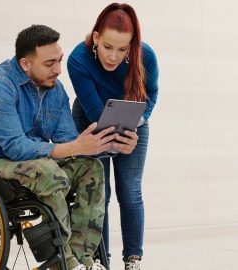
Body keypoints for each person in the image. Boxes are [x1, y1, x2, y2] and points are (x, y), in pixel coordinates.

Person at [0, 24, 118, 270]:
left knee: (91, 167)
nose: (58, 69)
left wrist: (100, 144)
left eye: (59, 60)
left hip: (31, 163)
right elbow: (15, 148)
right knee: (48, 172)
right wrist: (73, 148)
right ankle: (65, 261)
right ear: (25, 64)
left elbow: (67, 139)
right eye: (49, 63)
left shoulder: (56, 88)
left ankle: (81, 258)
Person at [67, 3, 159, 270]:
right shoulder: (78, 59)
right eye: (107, 47)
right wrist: (116, 143)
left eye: (122, 49)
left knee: (130, 191)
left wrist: (138, 123)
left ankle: (133, 260)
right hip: (90, 119)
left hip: (133, 122)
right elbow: (96, 112)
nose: (113, 57)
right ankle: (99, 259)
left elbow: (151, 94)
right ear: (96, 37)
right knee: (99, 192)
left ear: (132, 44)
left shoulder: (146, 55)